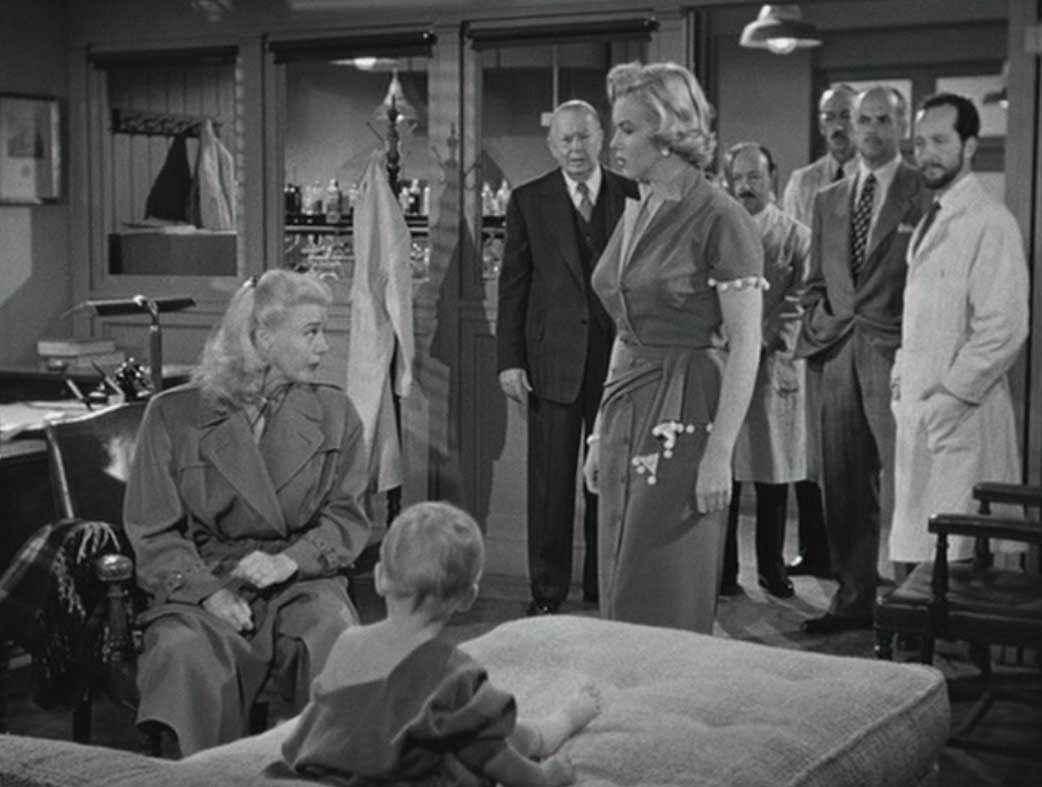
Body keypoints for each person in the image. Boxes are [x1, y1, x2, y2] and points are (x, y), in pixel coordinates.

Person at [123, 270, 371, 756]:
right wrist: (208, 593)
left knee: (332, 637)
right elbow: (153, 531)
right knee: (182, 653)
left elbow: (347, 517)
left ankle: (326, 771)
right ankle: (207, 775)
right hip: (205, 578)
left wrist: (290, 561)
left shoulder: (336, 413)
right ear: (263, 337)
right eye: (311, 332)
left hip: (301, 577)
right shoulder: (173, 414)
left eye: (322, 331)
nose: (324, 346)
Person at [583, 61, 764, 633]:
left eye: (627, 129)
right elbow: (624, 328)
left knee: (661, 576)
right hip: (625, 405)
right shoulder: (640, 208)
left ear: (666, 135)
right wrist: (598, 432)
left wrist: (720, 453)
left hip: (686, 408)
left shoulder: (722, 217)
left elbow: (747, 345)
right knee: (618, 573)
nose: (613, 144)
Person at [273, 501, 600, 786]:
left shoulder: (346, 642)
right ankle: (556, 727)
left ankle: (543, 731)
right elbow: (493, 758)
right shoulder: (454, 674)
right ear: (468, 598)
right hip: (403, 777)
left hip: (341, 771)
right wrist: (545, 778)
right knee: (484, 735)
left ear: (380, 577)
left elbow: (328, 718)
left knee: (465, 727)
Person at [496, 100, 638, 616]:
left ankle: (605, 588)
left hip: (618, 363)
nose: (575, 148)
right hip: (549, 364)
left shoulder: (633, 194)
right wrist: (509, 360)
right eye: (565, 140)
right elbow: (513, 286)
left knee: (610, 480)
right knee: (550, 488)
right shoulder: (528, 201)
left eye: (583, 137)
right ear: (551, 146)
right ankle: (547, 594)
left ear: (601, 138)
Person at [796, 86, 930, 634]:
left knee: (905, 486)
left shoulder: (922, 191)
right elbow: (815, 280)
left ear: (901, 126)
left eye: (882, 120)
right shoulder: (827, 199)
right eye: (863, 120)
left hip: (894, 355)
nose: (871, 130)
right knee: (844, 484)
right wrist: (819, 326)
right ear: (850, 127)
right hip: (838, 356)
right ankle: (853, 598)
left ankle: (910, 607)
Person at [889, 93, 1028, 569]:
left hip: (962, 414)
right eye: (919, 143)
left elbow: (1003, 328)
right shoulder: (933, 218)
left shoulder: (990, 221)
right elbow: (918, 317)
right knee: (927, 557)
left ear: (969, 146)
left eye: (939, 141)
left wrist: (949, 398)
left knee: (961, 563)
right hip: (924, 409)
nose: (926, 153)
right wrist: (901, 377)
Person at [721, 142, 811, 599]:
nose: (745, 187)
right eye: (737, 178)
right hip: (725, 364)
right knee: (726, 473)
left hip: (774, 365)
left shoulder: (796, 236)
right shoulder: (719, 230)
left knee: (773, 475)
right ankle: (723, 570)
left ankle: (771, 567)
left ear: (772, 176)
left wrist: (765, 336)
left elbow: (803, 295)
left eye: (754, 177)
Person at [778, 84, 858, 579]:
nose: (837, 126)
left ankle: (855, 559)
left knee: (853, 451)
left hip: (862, 329)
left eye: (845, 115)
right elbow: (795, 259)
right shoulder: (803, 183)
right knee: (807, 447)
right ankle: (814, 550)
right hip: (814, 327)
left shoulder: (881, 182)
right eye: (829, 116)